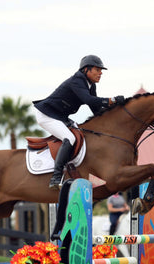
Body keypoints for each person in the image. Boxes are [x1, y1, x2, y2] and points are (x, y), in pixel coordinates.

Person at [33, 55, 126, 189]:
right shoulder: (77, 80)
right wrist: (111, 100)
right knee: (69, 138)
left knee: (82, 134)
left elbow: (96, 110)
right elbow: (88, 100)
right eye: (97, 69)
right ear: (86, 70)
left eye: (101, 70)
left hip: (60, 116)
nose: (101, 73)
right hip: (47, 115)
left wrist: (115, 109)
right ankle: (56, 178)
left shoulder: (90, 85)